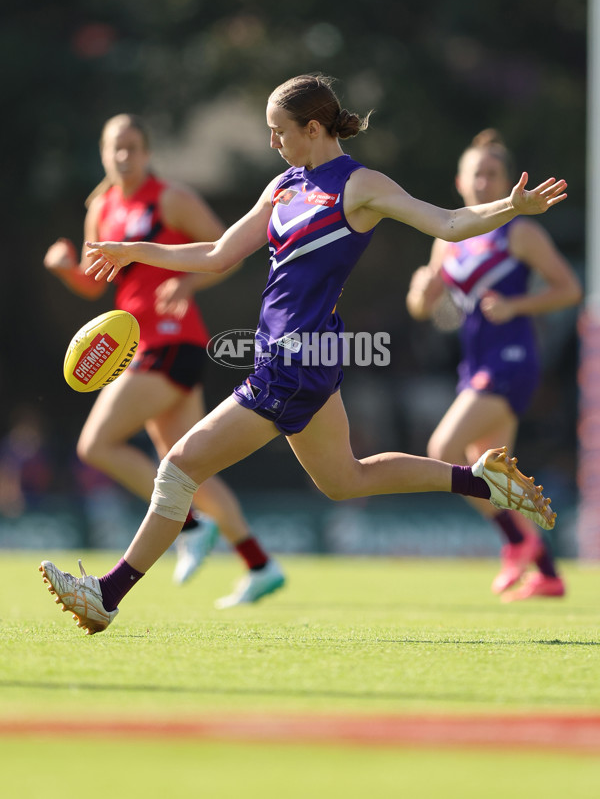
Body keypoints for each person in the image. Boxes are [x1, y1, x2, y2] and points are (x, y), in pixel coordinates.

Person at [40, 74, 565, 635]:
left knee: (178, 467)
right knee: (346, 480)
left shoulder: (358, 185)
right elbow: (218, 254)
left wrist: (509, 208)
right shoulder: (284, 185)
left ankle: (107, 595)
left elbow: (451, 222)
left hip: (291, 363)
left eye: (279, 132)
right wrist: (134, 251)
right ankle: (481, 481)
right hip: (303, 360)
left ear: (313, 129)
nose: (273, 143)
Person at [43, 113, 285, 606]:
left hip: (172, 341)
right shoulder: (101, 206)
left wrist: (188, 281)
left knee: (96, 445)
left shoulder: (170, 197)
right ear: (103, 152)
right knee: (187, 467)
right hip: (138, 344)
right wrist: (67, 268)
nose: (124, 157)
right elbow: (96, 283)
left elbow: (228, 250)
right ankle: (259, 563)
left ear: (148, 151)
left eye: (133, 147)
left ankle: (190, 526)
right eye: (115, 148)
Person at [406, 129, 582, 600]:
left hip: (512, 361)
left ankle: (514, 542)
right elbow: (424, 305)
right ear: (460, 183)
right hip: (477, 364)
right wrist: (420, 297)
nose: (484, 182)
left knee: (444, 447)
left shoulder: (519, 230)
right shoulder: (450, 237)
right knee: (495, 475)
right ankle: (547, 572)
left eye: (493, 174)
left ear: (507, 182)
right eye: (476, 174)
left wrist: (516, 306)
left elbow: (569, 289)